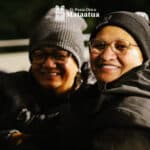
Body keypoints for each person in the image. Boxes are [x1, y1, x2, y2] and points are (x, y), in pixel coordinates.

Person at [0, 7, 88, 150]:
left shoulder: (97, 97)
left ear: (78, 62)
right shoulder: (7, 91)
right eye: (40, 54)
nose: (48, 64)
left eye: (59, 55)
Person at [65, 11, 150, 150]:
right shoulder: (99, 96)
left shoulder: (128, 119)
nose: (105, 56)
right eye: (99, 45)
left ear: (144, 55)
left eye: (121, 46)